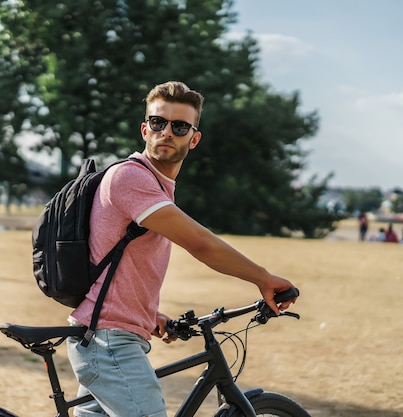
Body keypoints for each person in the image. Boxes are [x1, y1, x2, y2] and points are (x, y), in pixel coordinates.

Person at [66, 81, 297, 417]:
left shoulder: (154, 185)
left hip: (104, 337)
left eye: (179, 126)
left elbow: (114, 261)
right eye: (158, 123)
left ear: (194, 138)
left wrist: (149, 315)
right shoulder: (131, 178)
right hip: (109, 343)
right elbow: (201, 244)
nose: (166, 132)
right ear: (145, 129)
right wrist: (263, 278)